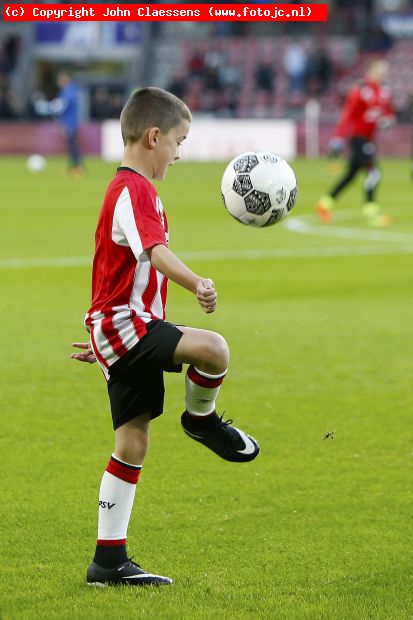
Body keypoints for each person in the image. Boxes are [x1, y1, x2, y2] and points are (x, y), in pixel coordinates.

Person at [71, 87, 259, 588]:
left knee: (131, 442)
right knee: (213, 349)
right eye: (179, 141)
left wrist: (104, 337)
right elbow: (154, 253)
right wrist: (197, 282)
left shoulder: (124, 189)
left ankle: (107, 562)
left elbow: (114, 269)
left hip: (117, 325)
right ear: (154, 136)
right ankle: (201, 421)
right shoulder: (136, 190)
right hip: (126, 323)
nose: (180, 152)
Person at [315, 58, 395, 226]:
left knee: (350, 176)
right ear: (370, 71)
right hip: (358, 138)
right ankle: (371, 212)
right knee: (374, 173)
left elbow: (388, 115)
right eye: (380, 69)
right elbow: (347, 115)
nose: (383, 72)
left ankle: (324, 204)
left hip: (369, 140)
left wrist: (388, 121)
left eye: (385, 69)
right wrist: (337, 139)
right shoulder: (360, 90)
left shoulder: (385, 92)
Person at [34, 68, 83, 174]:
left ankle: (78, 166)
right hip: (69, 121)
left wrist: (48, 107)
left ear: (66, 78)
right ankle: (74, 167)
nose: (59, 80)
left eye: (60, 78)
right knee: (71, 144)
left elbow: (62, 105)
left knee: (72, 144)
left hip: (69, 122)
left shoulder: (69, 90)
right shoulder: (70, 89)